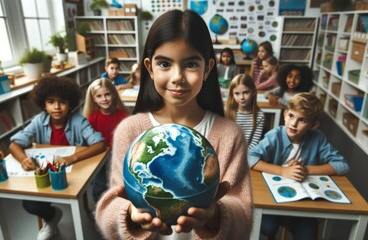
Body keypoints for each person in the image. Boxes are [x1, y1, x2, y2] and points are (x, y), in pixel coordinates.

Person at [95, 9, 252, 239]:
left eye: (190, 64)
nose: (177, 76)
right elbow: (109, 211)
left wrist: (217, 215)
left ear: (208, 68)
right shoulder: (129, 131)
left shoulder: (229, 135)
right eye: (164, 64)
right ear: (149, 68)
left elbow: (243, 218)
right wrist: (129, 213)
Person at [9, 75, 106, 240]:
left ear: (70, 104)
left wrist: (72, 158)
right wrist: (23, 159)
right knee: (29, 203)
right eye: (51, 102)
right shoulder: (39, 120)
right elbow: (14, 145)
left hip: (73, 174)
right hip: (47, 173)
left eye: (62, 102)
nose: (57, 107)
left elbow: (100, 144)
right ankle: (51, 218)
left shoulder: (78, 121)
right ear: (44, 104)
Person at [248, 93, 350, 240]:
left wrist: (306, 170)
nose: (293, 124)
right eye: (291, 116)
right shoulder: (274, 136)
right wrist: (283, 171)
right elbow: (249, 157)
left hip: (304, 203)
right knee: (268, 228)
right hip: (273, 199)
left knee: (307, 235)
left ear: (313, 125)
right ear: (285, 115)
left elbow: (342, 166)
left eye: (302, 120)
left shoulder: (318, 138)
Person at [83, 78, 130, 202]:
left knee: (120, 187)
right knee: (98, 188)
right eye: (99, 96)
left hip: (119, 157)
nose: (104, 99)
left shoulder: (124, 116)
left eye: (107, 94)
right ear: (93, 98)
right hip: (99, 159)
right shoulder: (91, 118)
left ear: (114, 94)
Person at [225, 73, 265, 149]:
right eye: (237, 93)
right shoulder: (226, 113)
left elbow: (254, 143)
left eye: (246, 92)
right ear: (232, 95)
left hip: (247, 155)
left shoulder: (259, 116)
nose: (242, 97)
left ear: (253, 92)